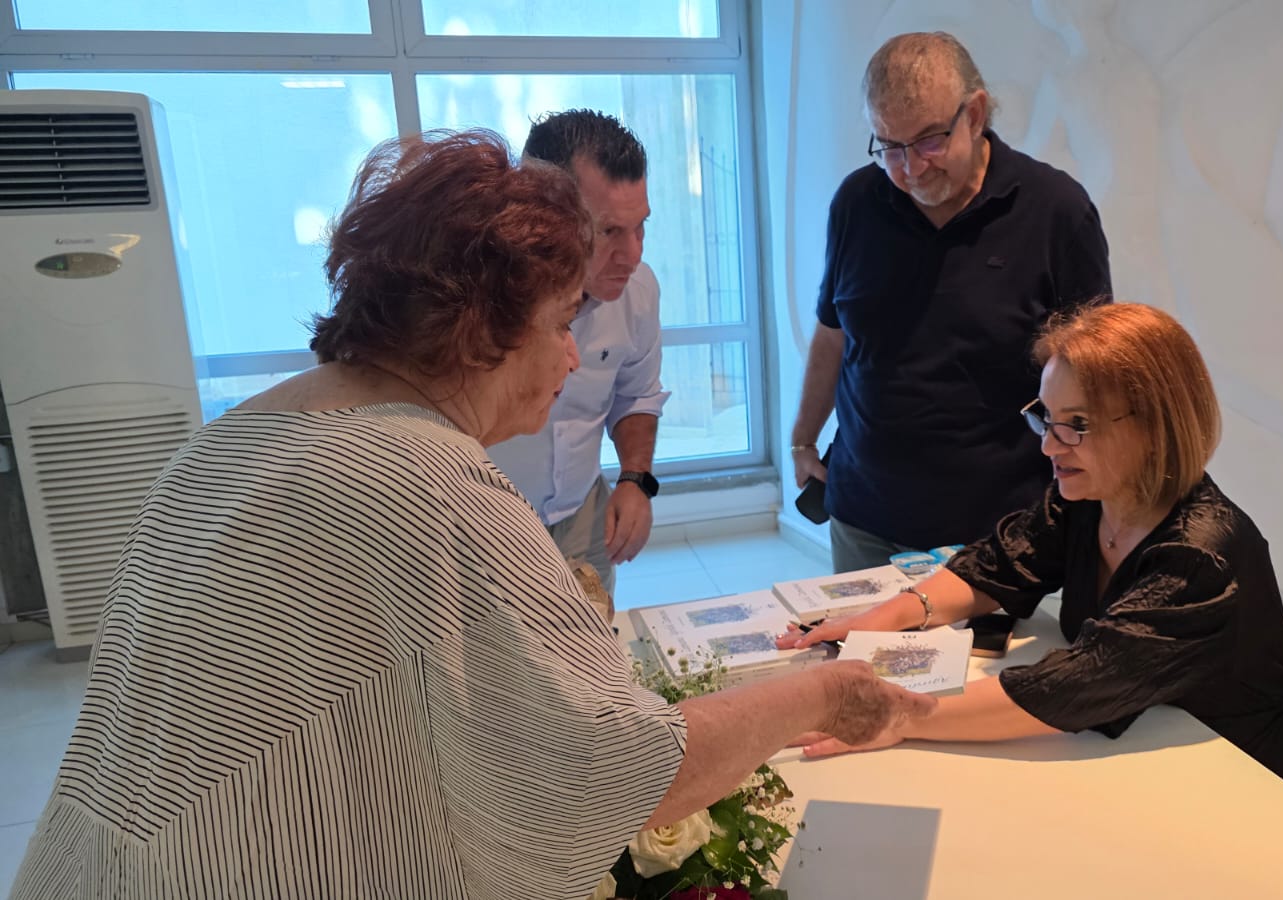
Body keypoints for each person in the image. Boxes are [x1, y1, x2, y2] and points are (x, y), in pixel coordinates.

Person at [8, 130, 934, 900]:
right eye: (561, 321)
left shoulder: (231, 438)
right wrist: (822, 694)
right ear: (480, 326)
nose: (571, 358)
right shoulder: (433, 485)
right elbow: (616, 774)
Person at [781, 303, 1283, 825]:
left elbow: (1079, 684)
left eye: (1076, 425)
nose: (1049, 446)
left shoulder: (1199, 558)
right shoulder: (1091, 499)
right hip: (1154, 760)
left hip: (1262, 791)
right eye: (1046, 417)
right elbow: (1000, 561)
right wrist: (881, 619)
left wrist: (899, 716)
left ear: (1156, 426)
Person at [791, 31, 1113, 573]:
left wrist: (1095, 500)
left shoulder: (1056, 211)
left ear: (976, 114)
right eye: (889, 147)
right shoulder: (856, 202)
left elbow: (1094, 371)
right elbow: (833, 332)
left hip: (999, 530)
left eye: (929, 141)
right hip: (864, 515)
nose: (911, 168)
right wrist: (802, 440)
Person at [489, 109, 664, 602]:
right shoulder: (476, 299)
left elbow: (636, 393)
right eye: (608, 232)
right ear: (539, 214)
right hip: (486, 526)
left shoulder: (639, 290)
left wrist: (635, 480)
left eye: (640, 227)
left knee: (593, 643)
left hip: (582, 516)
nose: (632, 255)